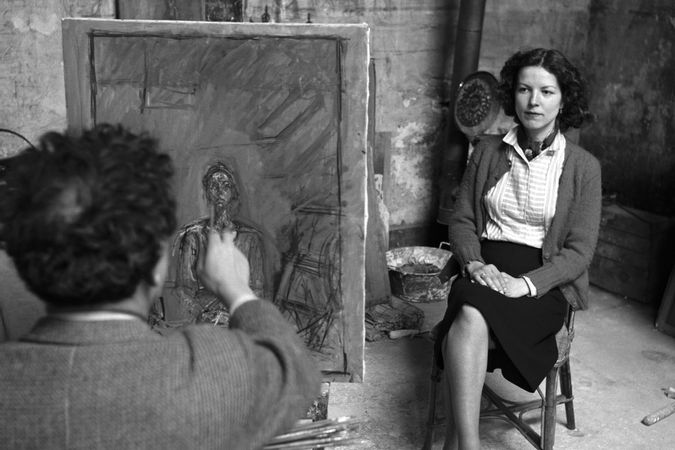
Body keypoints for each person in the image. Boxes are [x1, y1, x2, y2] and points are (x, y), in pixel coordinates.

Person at [0, 124, 320, 449]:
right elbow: (296, 372)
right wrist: (238, 290)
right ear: (157, 262)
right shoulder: (210, 377)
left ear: (24, 264)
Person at [435, 48, 601, 450]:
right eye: (525, 89)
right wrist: (474, 263)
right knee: (472, 310)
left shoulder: (583, 167)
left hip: (543, 282)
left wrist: (524, 285)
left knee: (469, 317)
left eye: (546, 91)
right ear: (513, 95)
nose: (534, 101)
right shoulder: (489, 151)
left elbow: (578, 253)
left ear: (564, 100)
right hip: (485, 266)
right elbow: (461, 221)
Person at [166, 161, 271, 327]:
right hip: (204, 320)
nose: (220, 191)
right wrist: (202, 314)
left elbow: (257, 290)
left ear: (233, 192)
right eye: (214, 186)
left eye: (225, 185)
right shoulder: (194, 236)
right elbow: (183, 290)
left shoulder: (250, 239)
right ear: (207, 193)